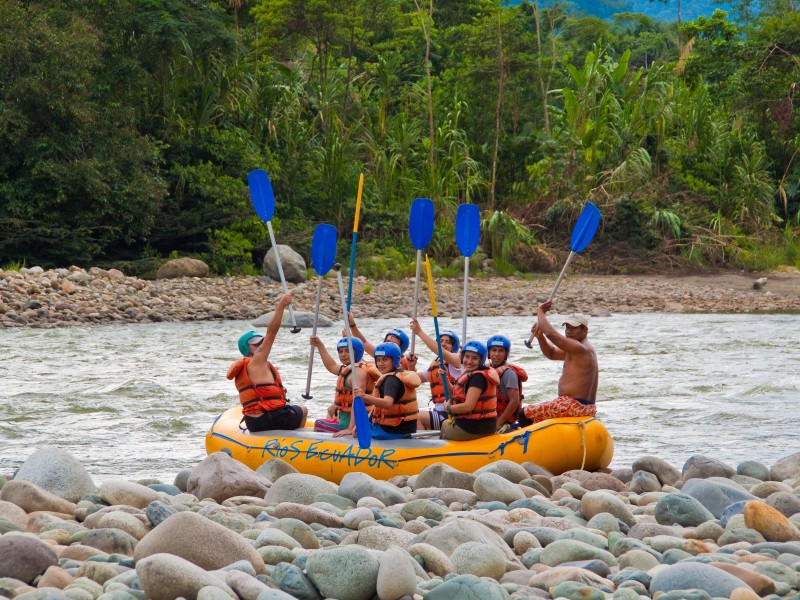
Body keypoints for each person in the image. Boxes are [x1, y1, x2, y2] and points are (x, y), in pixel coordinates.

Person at [226, 293, 307, 431]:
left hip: (253, 422)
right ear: (247, 349)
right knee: (303, 410)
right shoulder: (257, 360)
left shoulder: (247, 366)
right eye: (255, 344)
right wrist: (281, 306)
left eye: (261, 341)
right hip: (269, 418)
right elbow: (271, 332)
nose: (261, 345)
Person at [519, 303, 598, 425]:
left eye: (574, 328)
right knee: (538, 417)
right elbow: (551, 353)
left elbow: (550, 333)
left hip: (574, 405)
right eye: (567, 327)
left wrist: (540, 311)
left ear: (585, 330)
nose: (569, 331)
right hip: (579, 405)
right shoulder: (575, 349)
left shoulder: (582, 349)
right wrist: (540, 337)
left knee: (523, 413)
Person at [347, 342, 421, 440]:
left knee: (357, 433)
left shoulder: (391, 380)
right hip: (406, 429)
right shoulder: (401, 375)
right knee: (361, 427)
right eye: (378, 360)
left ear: (394, 360)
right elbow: (377, 408)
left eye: (385, 360)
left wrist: (364, 396)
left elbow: (387, 403)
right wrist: (364, 424)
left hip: (390, 430)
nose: (381, 364)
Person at [309, 336, 380, 434]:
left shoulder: (358, 372)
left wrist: (350, 429)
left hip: (350, 423)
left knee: (318, 423)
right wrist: (319, 345)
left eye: (347, 351)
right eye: (341, 351)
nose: (343, 354)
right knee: (331, 410)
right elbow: (332, 366)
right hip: (344, 418)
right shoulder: (351, 368)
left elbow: (358, 401)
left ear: (358, 352)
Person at [406, 318, 462, 430]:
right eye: (441, 341)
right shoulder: (435, 365)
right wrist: (411, 366)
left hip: (451, 415)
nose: (444, 344)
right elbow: (414, 380)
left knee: (415, 416)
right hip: (439, 411)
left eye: (448, 342)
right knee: (409, 412)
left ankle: (422, 443)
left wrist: (419, 332)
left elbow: (439, 351)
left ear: (453, 346)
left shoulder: (457, 361)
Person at [439, 340, 500, 441]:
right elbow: (455, 393)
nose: (469, 361)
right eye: (467, 356)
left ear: (481, 360)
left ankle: (446, 454)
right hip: (481, 426)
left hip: (474, 428)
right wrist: (445, 379)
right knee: (448, 423)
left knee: (445, 424)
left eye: (474, 358)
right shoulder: (473, 373)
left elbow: (468, 406)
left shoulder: (478, 378)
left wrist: (448, 408)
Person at [486, 335, 528, 432]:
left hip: (502, 422)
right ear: (488, 353)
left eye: (501, 351)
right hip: (488, 418)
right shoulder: (487, 370)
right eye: (494, 350)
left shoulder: (509, 373)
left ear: (506, 354)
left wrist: (499, 423)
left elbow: (515, 401)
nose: (496, 354)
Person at [348, 315, 413, 370]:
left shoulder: (403, 363)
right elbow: (364, 343)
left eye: (392, 343)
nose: (387, 345)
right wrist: (352, 325)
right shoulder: (381, 354)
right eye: (387, 341)